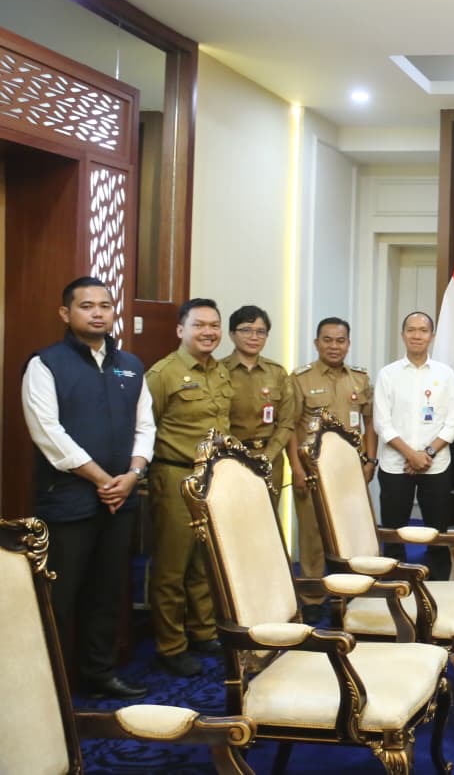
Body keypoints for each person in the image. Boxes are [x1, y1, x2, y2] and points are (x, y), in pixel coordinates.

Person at [20, 276, 154, 699]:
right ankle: (51, 688)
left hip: (120, 499)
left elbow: (145, 425)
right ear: (66, 313)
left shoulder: (130, 364)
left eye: (105, 305)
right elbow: (48, 433)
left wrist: (132, 475)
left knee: (108, 591)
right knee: (60, 597)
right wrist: (101, 478)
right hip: (69, 502)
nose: (98, 312)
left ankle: (98, 674)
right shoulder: (45, 363)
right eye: (86, 305)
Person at [145, 298, 233, 677]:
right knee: (171, 566)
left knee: (204, 560)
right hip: (175, 476)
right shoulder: (163, 374)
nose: (208, 331)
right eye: (199, 325)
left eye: (214, 325)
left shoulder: (220, 372)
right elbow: (144, 429)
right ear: (181, 330)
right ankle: (170, 645)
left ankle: (202, 631)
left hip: (211, 480)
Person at [287, 316, 375, 624]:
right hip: (313, 473)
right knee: (312, 537)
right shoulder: (300, 378)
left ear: (348, 344)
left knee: (349, 533)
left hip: (351, 474)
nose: (334, 346)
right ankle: (313, 597)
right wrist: (296, 468)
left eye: (340, 340)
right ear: (316, 343)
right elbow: (289, 428)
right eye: (327, 340)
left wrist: (370, 460)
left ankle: (348, 591)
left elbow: (370, 423)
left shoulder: (360, 379)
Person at [373, 312, 454, 579]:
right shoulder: (388, 374)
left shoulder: (445, 374)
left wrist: (427, 454)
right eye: (411, 330)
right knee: (394, 534)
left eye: (423, 330)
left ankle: (438, 590)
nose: (416, 335)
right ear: (403, 335)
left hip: (435, 466)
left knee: (437, 534)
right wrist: (411, 455)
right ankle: (395, 589)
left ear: (431, 336)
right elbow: (382, 423)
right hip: (395, 465)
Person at [220, 305, 296, 507]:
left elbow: (287, 422)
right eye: (246, 330)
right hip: (229, 461)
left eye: (260, 332)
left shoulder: (277, 373)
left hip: (270, 461)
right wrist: (237, 457)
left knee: (267, 524)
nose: (254, 337)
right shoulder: (219, 372)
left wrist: (268, 456)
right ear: (231, 334)